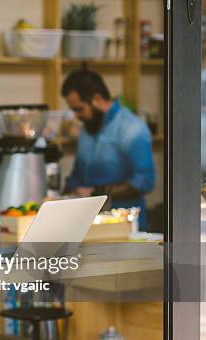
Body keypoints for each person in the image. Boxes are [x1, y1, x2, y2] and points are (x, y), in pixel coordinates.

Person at [61, 69, 155, 229]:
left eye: (79, 109)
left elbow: (144, 182)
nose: (77, 116)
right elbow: (78, 175)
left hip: (126, 227)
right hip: (87, 224)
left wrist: (97, 193)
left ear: (96, 99)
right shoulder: (87, 128)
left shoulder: (132, 128)